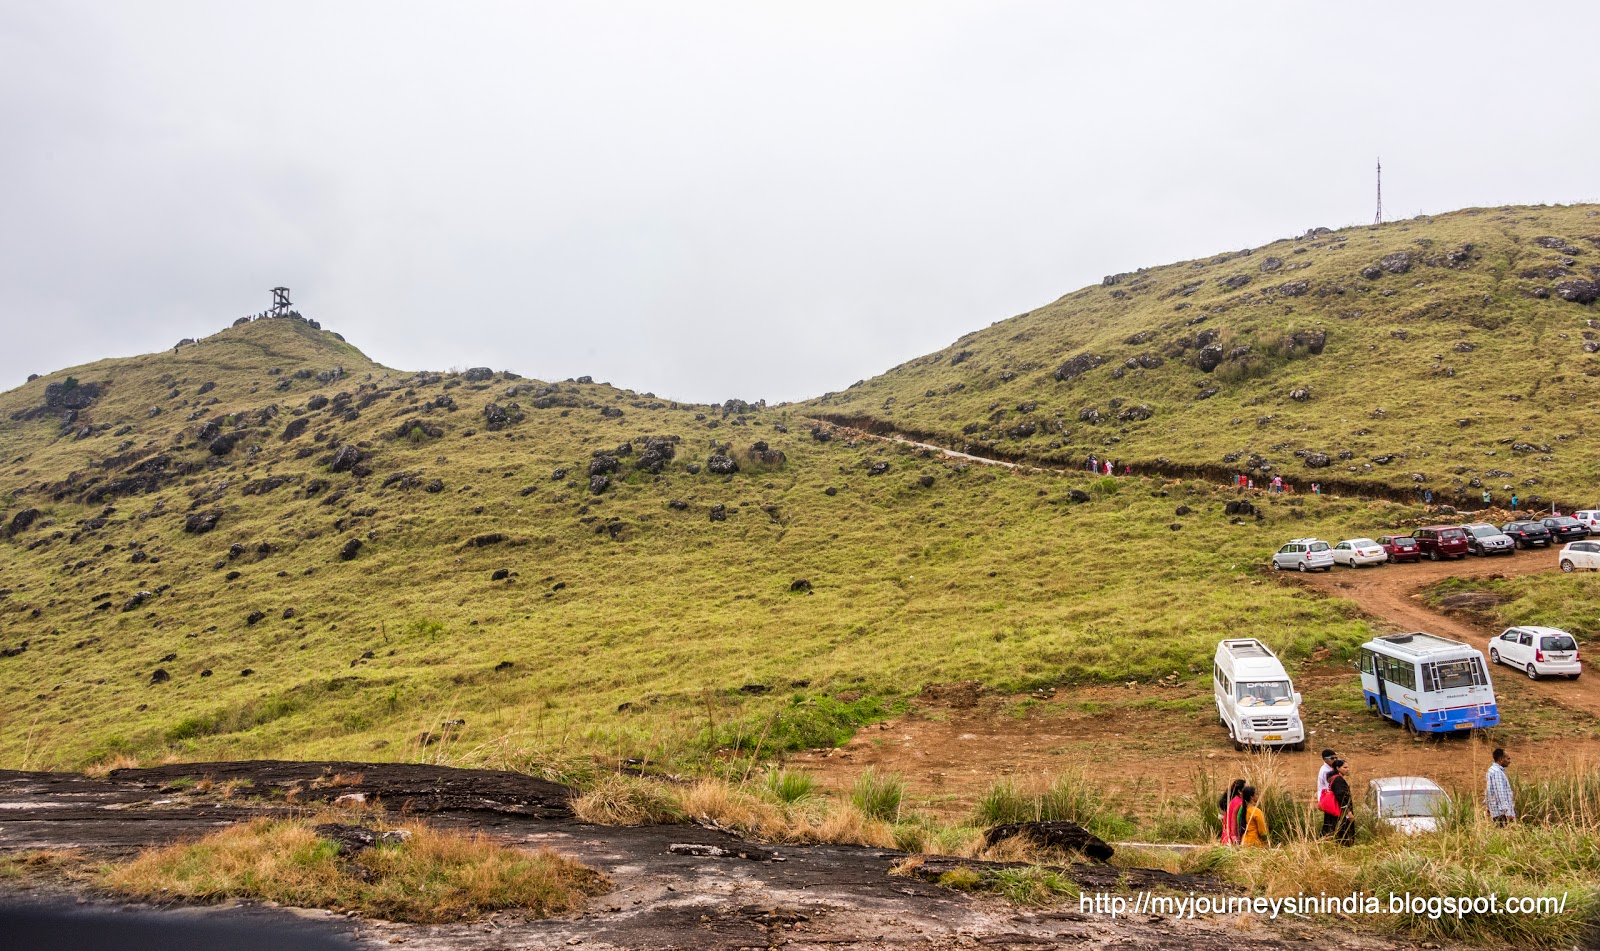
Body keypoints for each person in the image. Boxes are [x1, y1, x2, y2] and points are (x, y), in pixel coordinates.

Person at [1486, 748, 1515, 826]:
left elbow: (1489, 791)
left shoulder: (1492, 770)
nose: (1509, 761)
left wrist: (1488, 807)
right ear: (1501, 759)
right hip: (1501, 812)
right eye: (1508, 758)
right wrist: (1507, 812)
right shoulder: (1497, 772)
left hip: (1497, 811)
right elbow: (1500, 793)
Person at [1328, 759, 1355, 845]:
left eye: (1348, 767)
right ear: (1338, 768)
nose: (1347, 769)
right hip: (1342, 812)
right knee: (1344, 832)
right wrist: (1348, 812)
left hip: (1340, 811)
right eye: (1345, 767)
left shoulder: (1336, 779)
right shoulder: (1338, 780)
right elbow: (1340, 796)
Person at [1220, 778, 1246, 845]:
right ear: (1239, 791)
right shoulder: (1240, 803)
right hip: (1232, 842)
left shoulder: (1233, 801)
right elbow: (1234, 822)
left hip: (1226, 839)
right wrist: (1235, 839)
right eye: (1246, 788)